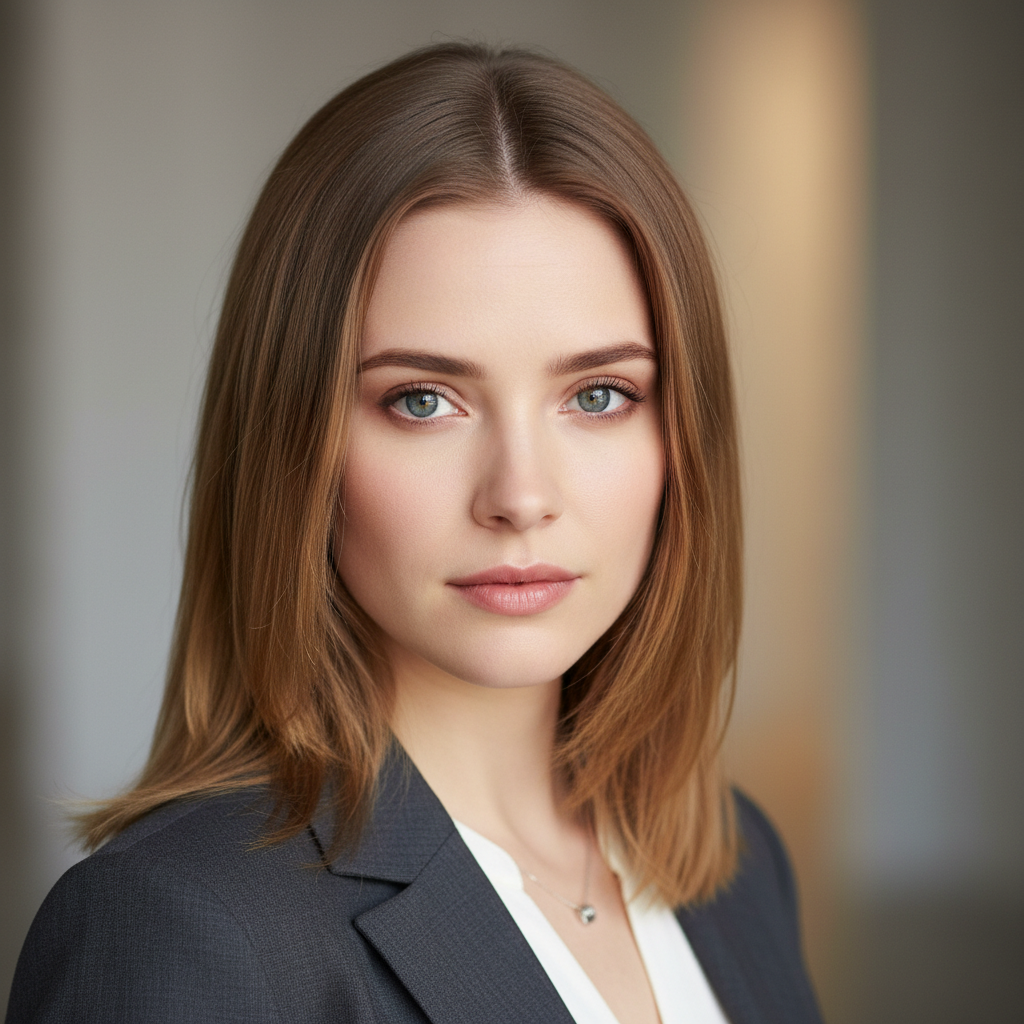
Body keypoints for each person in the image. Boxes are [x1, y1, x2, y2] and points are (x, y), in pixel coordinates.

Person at [6, 43, 823, 1024]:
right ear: (293, 443)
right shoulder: (177, 925)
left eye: (598, 394)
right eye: (424, 400)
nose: (521, 495)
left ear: (681, 434)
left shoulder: (736, 864)